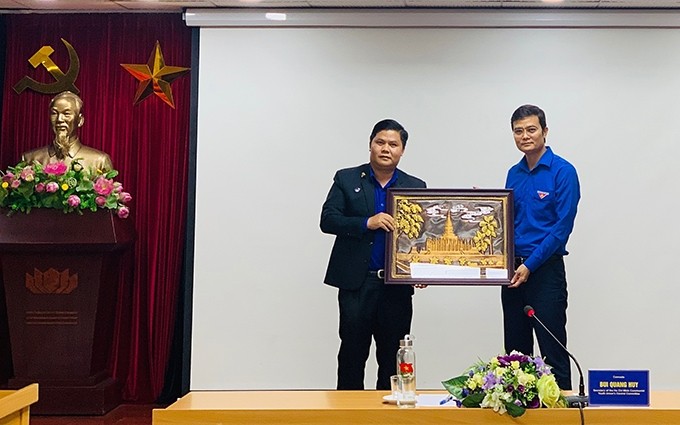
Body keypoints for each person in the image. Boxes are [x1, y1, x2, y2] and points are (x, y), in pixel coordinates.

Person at [320, 119, 426, 390]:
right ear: (370, 144)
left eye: (393, 144)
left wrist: (423, 269)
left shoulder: (415, 186)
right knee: (352, 354)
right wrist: (367, 222)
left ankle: (388, 417)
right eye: (380, 142)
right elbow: (328, 220)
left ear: (402, 151)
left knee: (393, 359)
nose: (386, 148)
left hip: (396, 287)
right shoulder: (347, 178)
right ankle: (347, 417)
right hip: (357, 283)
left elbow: (423, 238)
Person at [502, 104, 580, 391]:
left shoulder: (563, 172)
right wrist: (486, 211)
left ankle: (561, 417)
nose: (525, 136)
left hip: (544, 271)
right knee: (515, 355)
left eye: (531, 129)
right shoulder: (514, 173)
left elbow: (561, 230)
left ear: (545, 132)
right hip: (512, 272)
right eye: (518, 131)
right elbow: (507, 223)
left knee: (553, 350)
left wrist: (529, 265)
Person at [22, 91, 113, 172]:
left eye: (66, 114)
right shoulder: (30, 159)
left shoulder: (99, 161)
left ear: (80, 120)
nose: (59, 119)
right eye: (54, 113)